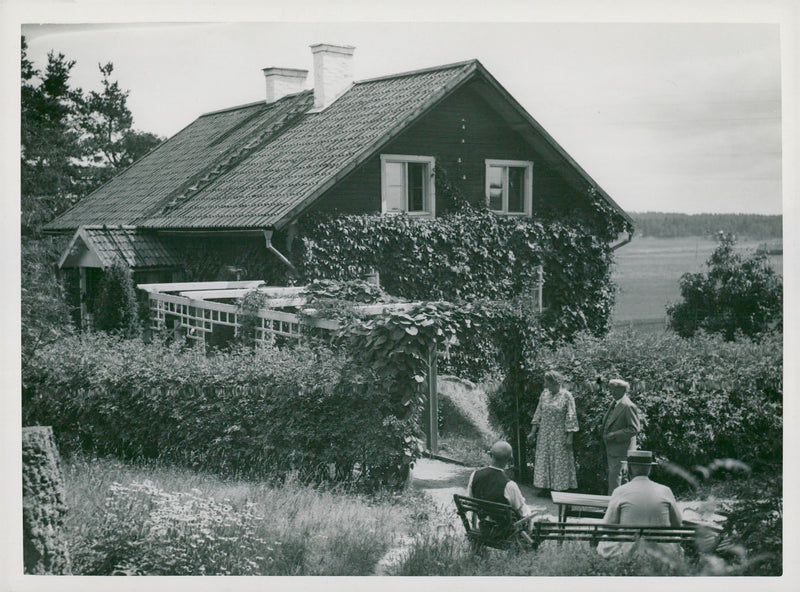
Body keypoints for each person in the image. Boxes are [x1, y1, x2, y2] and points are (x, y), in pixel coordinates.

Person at [597, 450, 683, 559]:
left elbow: (607, 527)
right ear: (650, 469)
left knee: (604, 543)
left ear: (629, 468)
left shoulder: (620, 491)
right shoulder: (665, 491)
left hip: (628, 553)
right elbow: (678, 523)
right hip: (662, 554)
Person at [527, 370, 579, 496]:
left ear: (556, 382)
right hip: (544, 433)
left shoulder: (566, 396)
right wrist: (533, 432)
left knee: (559, 460)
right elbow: (538, 412)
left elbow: (571, 416)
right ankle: (545, 488)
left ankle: (559, 488)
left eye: (547, 383)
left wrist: (570, 436)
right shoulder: (544, 394)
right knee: (544, 459)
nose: (546, 385)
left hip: (559, 433)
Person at [466, 441, 529, 536]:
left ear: (490, 455)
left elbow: (471, 501)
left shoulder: (475, 475)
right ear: (510, 459)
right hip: (504, 533)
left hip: (484, 528)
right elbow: (522, 511)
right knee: (531, 517)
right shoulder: (509, 485)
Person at [602, 378, 642, 495]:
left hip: (621, 449)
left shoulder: (628, 406)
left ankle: (612, 508)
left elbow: (634, 428)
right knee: (623, 480)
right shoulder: (614, 403)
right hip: (612, 448)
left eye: (615, 390)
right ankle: (625, 506)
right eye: (611, 389)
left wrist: (614, 435)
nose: (612, 392)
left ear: (624, 390)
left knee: (615, 479)